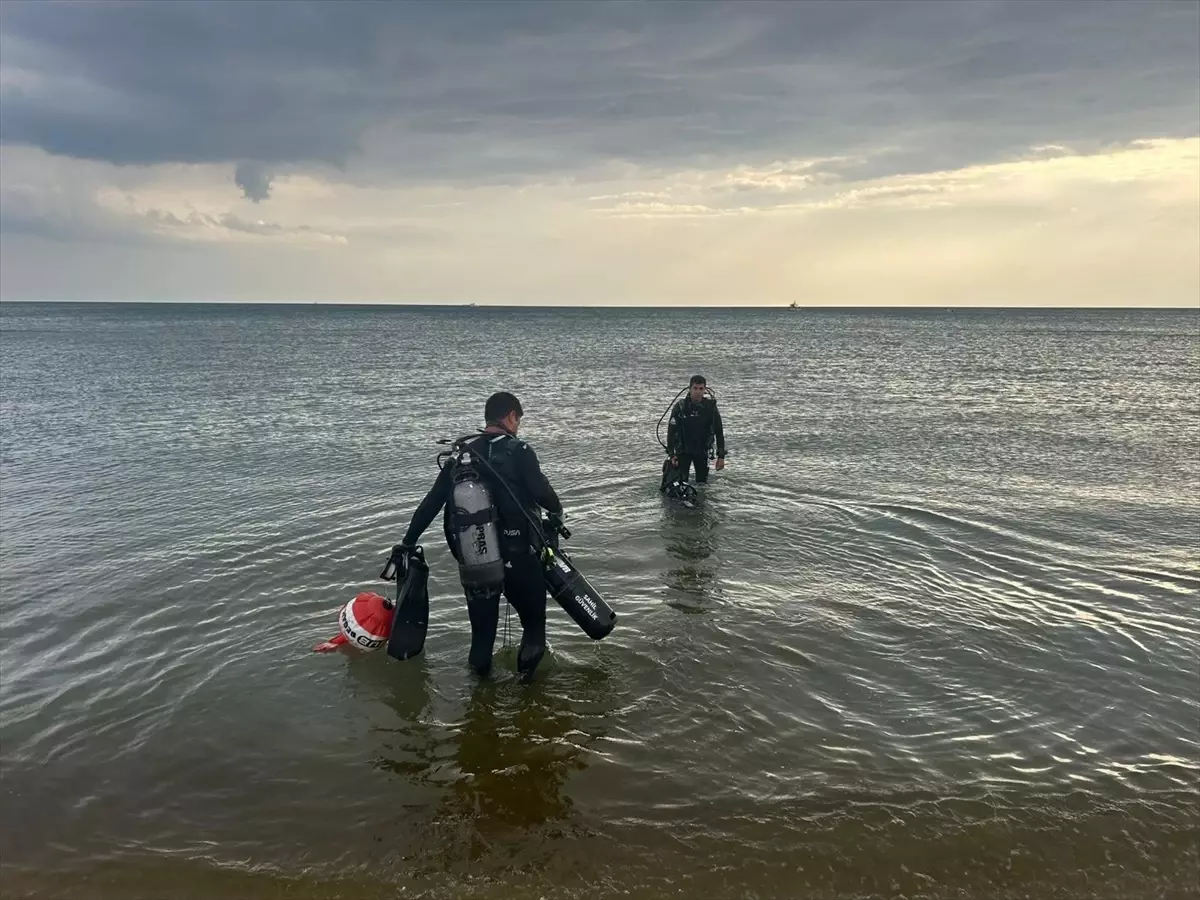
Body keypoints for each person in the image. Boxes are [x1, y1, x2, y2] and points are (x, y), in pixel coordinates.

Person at [395, 391, 563, 681]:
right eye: (518, 419)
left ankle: (481, 703)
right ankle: (528, 701)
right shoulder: (520, 451)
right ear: (511, 416)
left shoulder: (460, 458)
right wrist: (558, 513)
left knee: (482, 639)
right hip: (519, 558)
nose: (518, 425)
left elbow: (429, 506)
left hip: (478, 560)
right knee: (534, 630)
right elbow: (542, 493)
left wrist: (407, 542)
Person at [663, 374, 726, 489]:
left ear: (705, 390)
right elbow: (671, 432)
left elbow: (719, 431)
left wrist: (721, 457)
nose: (698, 392)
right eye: (695, 388)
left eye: (701, 389)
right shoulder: (680, 407)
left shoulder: (710, 407)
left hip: (702, 452)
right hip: (683, 451)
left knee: (702, 485)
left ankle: (701, 504)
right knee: (681, 485)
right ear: (690, 389)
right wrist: (671, 454)